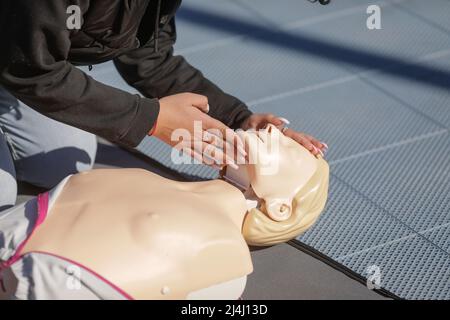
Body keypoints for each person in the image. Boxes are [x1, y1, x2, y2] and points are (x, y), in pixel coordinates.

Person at [0, 0, 327, 211]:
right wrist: (150, 119)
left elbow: (149, 58)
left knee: (66, 162)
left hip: (14, 56)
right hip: (18, 63)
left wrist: (240, 120)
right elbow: (30, 70)